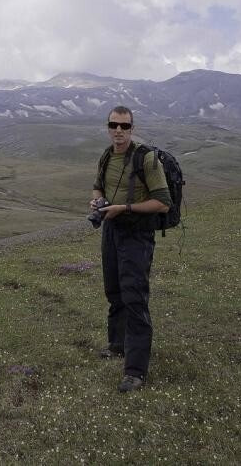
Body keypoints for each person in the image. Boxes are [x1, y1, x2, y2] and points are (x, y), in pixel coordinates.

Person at [90, 105, 172, 392]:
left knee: (135, 298)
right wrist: (97, 202)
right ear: (108, 126)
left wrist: (125, 207)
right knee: (114, 291)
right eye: (114, 125)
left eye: (125, 126)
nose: (119, 131)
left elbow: (163, 202)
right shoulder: (107, 155)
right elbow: (98, 186)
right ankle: (117, 345)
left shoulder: (145, 159)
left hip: (136, 234)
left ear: (132, 128)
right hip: (112, 230)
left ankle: (135, 371)